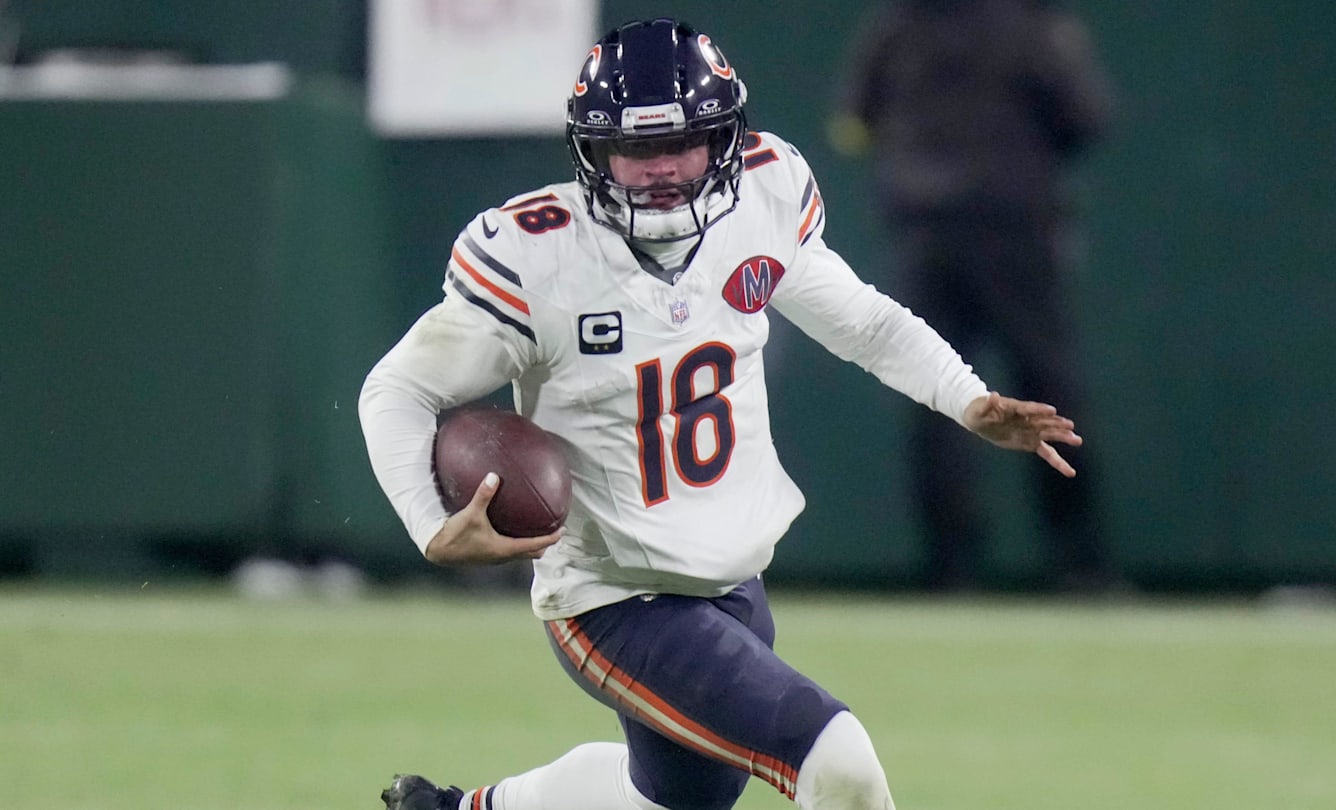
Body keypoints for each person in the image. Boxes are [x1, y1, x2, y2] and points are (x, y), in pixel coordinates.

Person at [360, 18, 1085, 810]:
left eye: (683, 143)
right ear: (594, 153)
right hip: (614, 595)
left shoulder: (762, 201)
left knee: (674, 800)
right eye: (635, 149)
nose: (662, 169)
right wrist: (430, 523)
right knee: (837, 760)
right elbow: (398, 389)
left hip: (733, 579)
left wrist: (965, 397)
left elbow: (866, 323)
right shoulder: (537, 257)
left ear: (724, 138)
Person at [829, 0, 1119, 592]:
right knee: (1043, 389)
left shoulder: (898, 25)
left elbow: (852, 125)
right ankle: (1080, 567)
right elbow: (1086, 117)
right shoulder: (1034, 25)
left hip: (929, 228)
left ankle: (951, 571)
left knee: (935, 390)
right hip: (1014, 227)